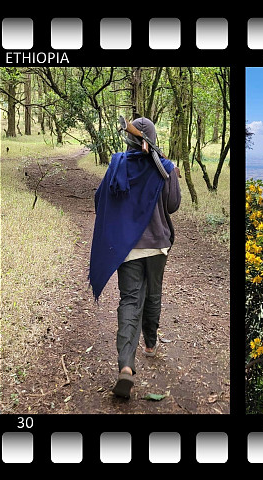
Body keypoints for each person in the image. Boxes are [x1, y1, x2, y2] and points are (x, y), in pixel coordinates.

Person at [88, 117, 180, 398]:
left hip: (127, 248)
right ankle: (150, 344)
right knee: (153, 293)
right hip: (157, 245)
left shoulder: (116, 165)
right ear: (153, 139)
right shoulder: (164, 168)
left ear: (128, 140)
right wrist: (170, 173)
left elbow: (99, 200)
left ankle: (126, 367)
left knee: (129, 299)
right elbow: (173, 206)